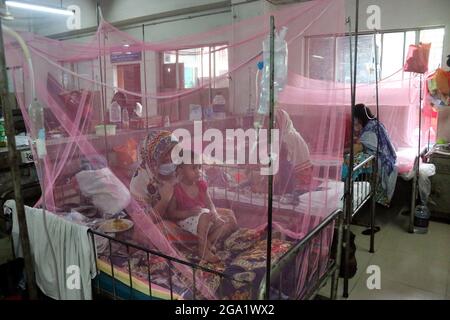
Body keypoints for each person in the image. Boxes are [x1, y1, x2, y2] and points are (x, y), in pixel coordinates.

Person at [130, 130, 237, 238]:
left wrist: (212, 214)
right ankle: (202, 240)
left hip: (191, 217)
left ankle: (203, 240)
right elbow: (142, 224)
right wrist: (164, 201)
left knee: (229, 216)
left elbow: (199, 189)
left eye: (173, 152)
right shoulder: (139, 183)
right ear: (151, 158)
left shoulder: (180, 167)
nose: (170, 158)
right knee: (156, 233)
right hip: (166, 223)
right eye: (163, 155)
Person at [168, 151, 231, 263]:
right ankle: (203, 250)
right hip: (186, 220)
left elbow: (209, 203)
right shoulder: (177, 189)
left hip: (203, 216)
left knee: (226, 221)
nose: (198, 171)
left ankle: (207, 242)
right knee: (205, 215)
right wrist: (188, 213)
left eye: (199, 167)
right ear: (180, 170)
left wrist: (215, 214)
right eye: (193, 168)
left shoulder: (201, 185)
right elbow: (171, 213)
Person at [353, 104, 398, 206]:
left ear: (359, 117)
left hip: (381, 160)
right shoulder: (376, 123)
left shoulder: (369, 129)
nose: (354, 121)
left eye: (355, 118)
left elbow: (368, 147)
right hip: (389, 156)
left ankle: (373, 197)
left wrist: (357, 144)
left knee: (356, 164)